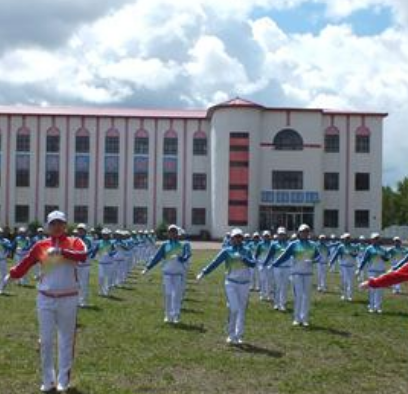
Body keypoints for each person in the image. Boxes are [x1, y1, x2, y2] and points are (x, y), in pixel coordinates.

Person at [4, 210, 87, 392]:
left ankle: (63, 380)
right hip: (45, 298)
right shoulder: (40, 245)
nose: (57, 226)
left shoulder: (75, 242)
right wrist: (12, 275)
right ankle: (48, 380)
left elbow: (83, 255)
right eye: (53, 223)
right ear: (48, 226)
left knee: (66, 340)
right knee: (47, 340)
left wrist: (61, 251)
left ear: (65, 225)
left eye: (60, 223)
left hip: (68, 298)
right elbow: (26, 262)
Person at [196, 228, 256, 344]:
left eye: (239, 237)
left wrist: (244, 259)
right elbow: (215, 262)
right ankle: (231, 333)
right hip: (231, 283)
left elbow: (253, 264)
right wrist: (203, 273)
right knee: (234, 308)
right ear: (231, 239)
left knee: (242, 310)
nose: (237, 239)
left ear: (242, 238)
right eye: (235, 237)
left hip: (244, 284)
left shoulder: (247, 250)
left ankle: (238, 335)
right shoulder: (227, 251)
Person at [272, 224, 320, 327]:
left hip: (308, 274)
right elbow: (284, 255)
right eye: (303, 232)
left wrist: (312, 260)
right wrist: (275, 263)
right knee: (298, 296)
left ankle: (305, 318)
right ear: (299, 233)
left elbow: (318, 257)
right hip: (296, 273)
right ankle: (297, 318)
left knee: (306, 296)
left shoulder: (312, 245)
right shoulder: (294, 244)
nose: (305, 233)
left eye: (307, 231)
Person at [142, 224, 192, 324]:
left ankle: (176, 315)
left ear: (177, 233)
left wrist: (183, 258)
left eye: (174, 232)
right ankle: (168, 315)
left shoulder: (183, 244)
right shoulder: (165, 245)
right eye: (170, 232)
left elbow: (188, 254)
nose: (172, 233)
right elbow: (157, 257)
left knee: (177, 296)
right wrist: (147, 268)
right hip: (167, 274)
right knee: (168, 295)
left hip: (178, 275)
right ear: (168, 234)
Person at [356, 233, 390, 313]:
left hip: (381, 271)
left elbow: (387, 259)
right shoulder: (369, 249)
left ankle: (378, 307)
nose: (376, 240)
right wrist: (359, 269)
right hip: (372, 271)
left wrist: (383, 257)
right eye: (374, 238)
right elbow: (364, 260)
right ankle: (371, 306)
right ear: (372, 240)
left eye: (377, 238)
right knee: (372, 289)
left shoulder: (382, 249)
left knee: (380, 290)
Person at [264, 227, 290, 311]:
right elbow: (269, 255)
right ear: (277, 235)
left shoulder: (289, 244)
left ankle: (282, 304)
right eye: (280, 234)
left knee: (285, 286)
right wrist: (265, 264)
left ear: (285, 235)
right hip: (277, 268)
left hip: (287, 268)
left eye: (283, 234)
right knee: (278, 286)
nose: (281, 236)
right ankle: (276, 303)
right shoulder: (274, 244)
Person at [329, 233, 359, 301]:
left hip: (351, 266)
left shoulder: (353, 247)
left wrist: (352, 254)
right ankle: (343, 295)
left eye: (348, 238)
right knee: (344, 281)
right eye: (346, 238)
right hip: (343, 266)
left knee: (350, 281)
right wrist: (331, 262)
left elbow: (356, 255)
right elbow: (336, 255)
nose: (347, 240)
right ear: (344, 239)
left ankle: (350, 296)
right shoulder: (341, 247)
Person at [76, 223, 94, 307]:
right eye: (79, 230)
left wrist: (84, 253)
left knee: (84, 284)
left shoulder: (89, 240)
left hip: (85, 264)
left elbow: (92, 249)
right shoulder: (75, 240)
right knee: (76, 283)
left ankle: (83, 301)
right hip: (76, 264)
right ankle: (76, 301)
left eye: (82, 230)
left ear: (85, 231)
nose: (80, 231)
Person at [0, 228, 12, 294]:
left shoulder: (6, 241)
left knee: (3, 275)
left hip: (2, 260)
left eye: (0, 233)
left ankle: (1, 288)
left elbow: (10, 247)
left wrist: (6, 245)